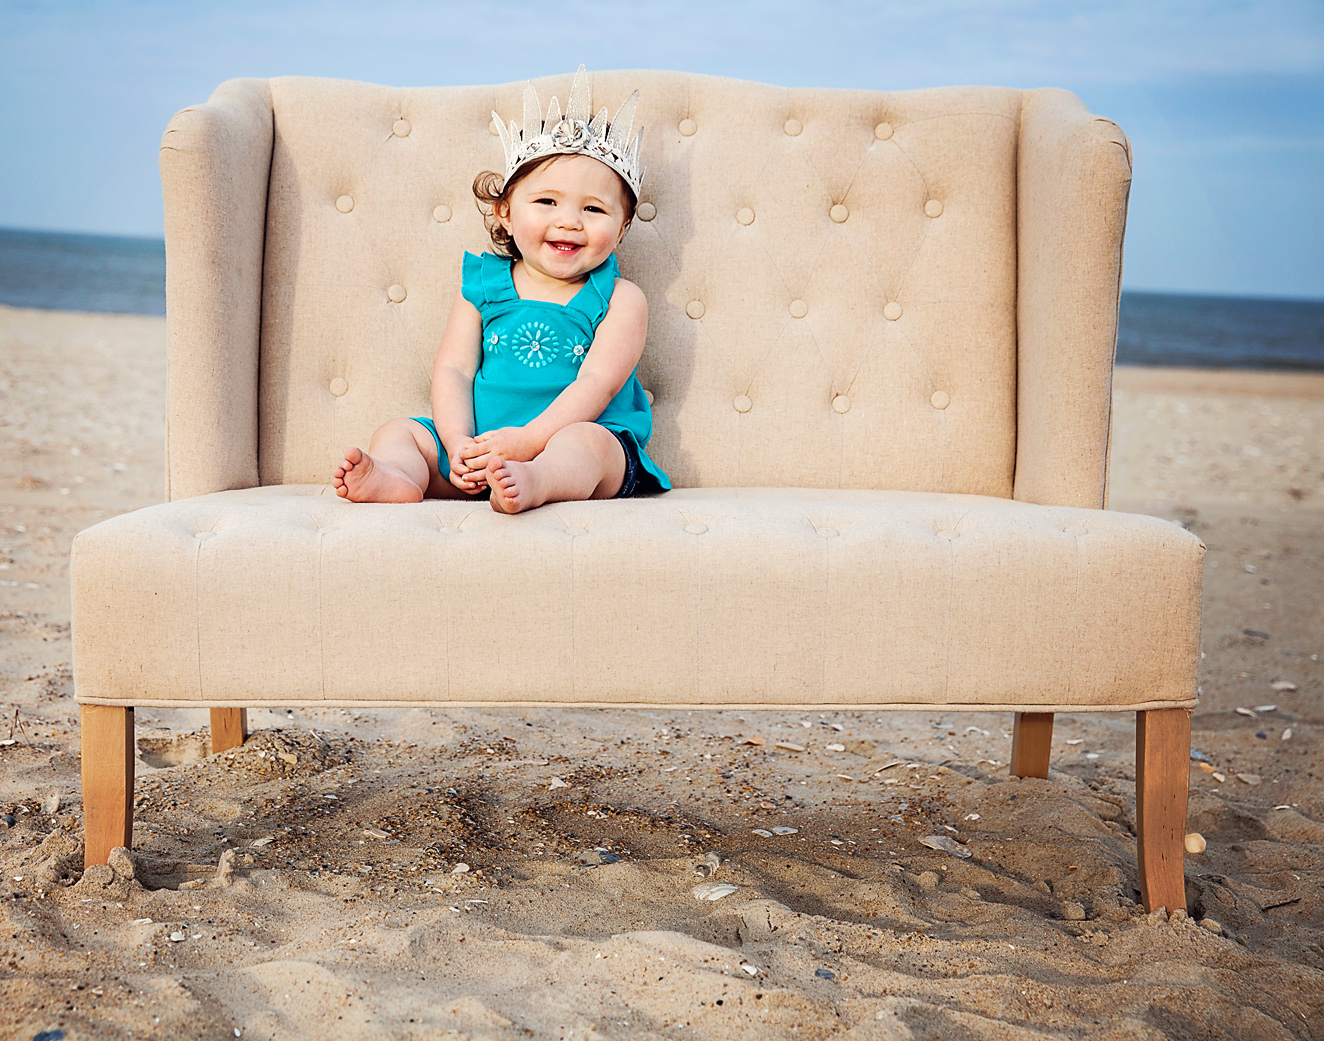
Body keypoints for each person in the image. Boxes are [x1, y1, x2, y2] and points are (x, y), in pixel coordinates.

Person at [332, 66, 671, 513]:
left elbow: (598, 383)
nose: (569, 220)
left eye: (593, 208)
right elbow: (453, 369)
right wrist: (456, 443)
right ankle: (397, 475)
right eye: (546, 201)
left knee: (588, 444)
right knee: (402, 432)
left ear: (623, 227)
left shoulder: (621, 299)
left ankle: (539, 481)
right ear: (506, 212)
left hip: (566, 444)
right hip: (480, 449)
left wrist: (530, 443)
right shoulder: (483, 286)